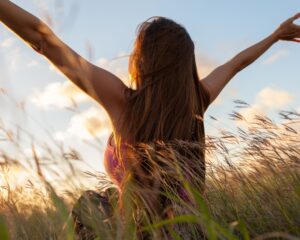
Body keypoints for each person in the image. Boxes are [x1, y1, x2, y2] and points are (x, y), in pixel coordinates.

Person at [0, 1, 299, 239]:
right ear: (186, 67)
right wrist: (274, 36)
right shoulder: (198, 100)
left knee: (88, 204)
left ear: (142, 59)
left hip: (140, 231)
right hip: (192, 230)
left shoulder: (122, 102)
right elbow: (234, 65)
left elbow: (44, 40)